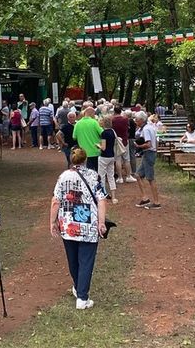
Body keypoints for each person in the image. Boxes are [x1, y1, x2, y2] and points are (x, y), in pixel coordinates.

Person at [49, 147, 108, 310]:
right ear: (85, 159)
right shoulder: (94, 176)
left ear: (71, 159)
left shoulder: (63, 177)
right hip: (89, 226)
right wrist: (101, 222)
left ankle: (78, 288)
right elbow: (102, 200)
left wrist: (52, 222)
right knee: (86, 261)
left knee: (73, 259)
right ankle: (82, 297)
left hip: (68, 226)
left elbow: (56, 201)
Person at [133, 112, 161, 209]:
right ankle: (145, 198)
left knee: (150, 178)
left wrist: (138, 146)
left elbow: (148, 144)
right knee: (138, 175)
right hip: (149, 153)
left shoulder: (146, 129)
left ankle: (157, 202)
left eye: (137, 120)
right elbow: (156, 141)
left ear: (141, 120)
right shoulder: (150, 127)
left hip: (149, 153)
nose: (135, 121)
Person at [97, 115, 118, 204]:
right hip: (112, 156)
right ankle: (114, 197)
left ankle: (103, 195)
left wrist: (98, 145)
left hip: (104, 156)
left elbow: (103, 148)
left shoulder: (104, 133)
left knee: (101, 176)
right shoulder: (113, 132)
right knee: (111, 176)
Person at [73, 107, 103, 171]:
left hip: (84, 153)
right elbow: (102, 133)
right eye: (94, 114)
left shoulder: (77, 123)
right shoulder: (94, 122)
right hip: (96, 151)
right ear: (91, 113)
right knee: (98, 171)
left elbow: (74, 137)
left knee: (87, 171)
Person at [111, 106, 134, 183]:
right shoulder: (125, 119)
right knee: (126, 159)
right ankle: (128, 176)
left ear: (114, 111)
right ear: (121, 111)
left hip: (116, 141)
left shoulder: (112, 120)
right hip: (124, 140)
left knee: (117, 160)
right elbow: (128, 128)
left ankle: (120, 177)